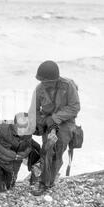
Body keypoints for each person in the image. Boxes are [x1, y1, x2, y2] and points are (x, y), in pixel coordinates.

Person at [28, 61, 80, 195]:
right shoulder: (39, 89)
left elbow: (75, 107)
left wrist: (55, 119)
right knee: (47, 149)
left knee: (57, 150)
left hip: (66, 123)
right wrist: (45, 122)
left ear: (55, 79)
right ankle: (44, 179)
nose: (43, 83)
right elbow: (33, 112)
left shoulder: (68, 86)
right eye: (41, 81)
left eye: (46, 81)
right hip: (47, 122)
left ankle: (48, 181)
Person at [0, 112, 33, 193]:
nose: (22, 130)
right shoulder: (3, 128)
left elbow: (29, 146)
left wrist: (23, 155)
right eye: (20, 127)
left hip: (12, 163)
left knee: (9, 186)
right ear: (14, 125)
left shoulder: (28, 134)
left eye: (25, 127)